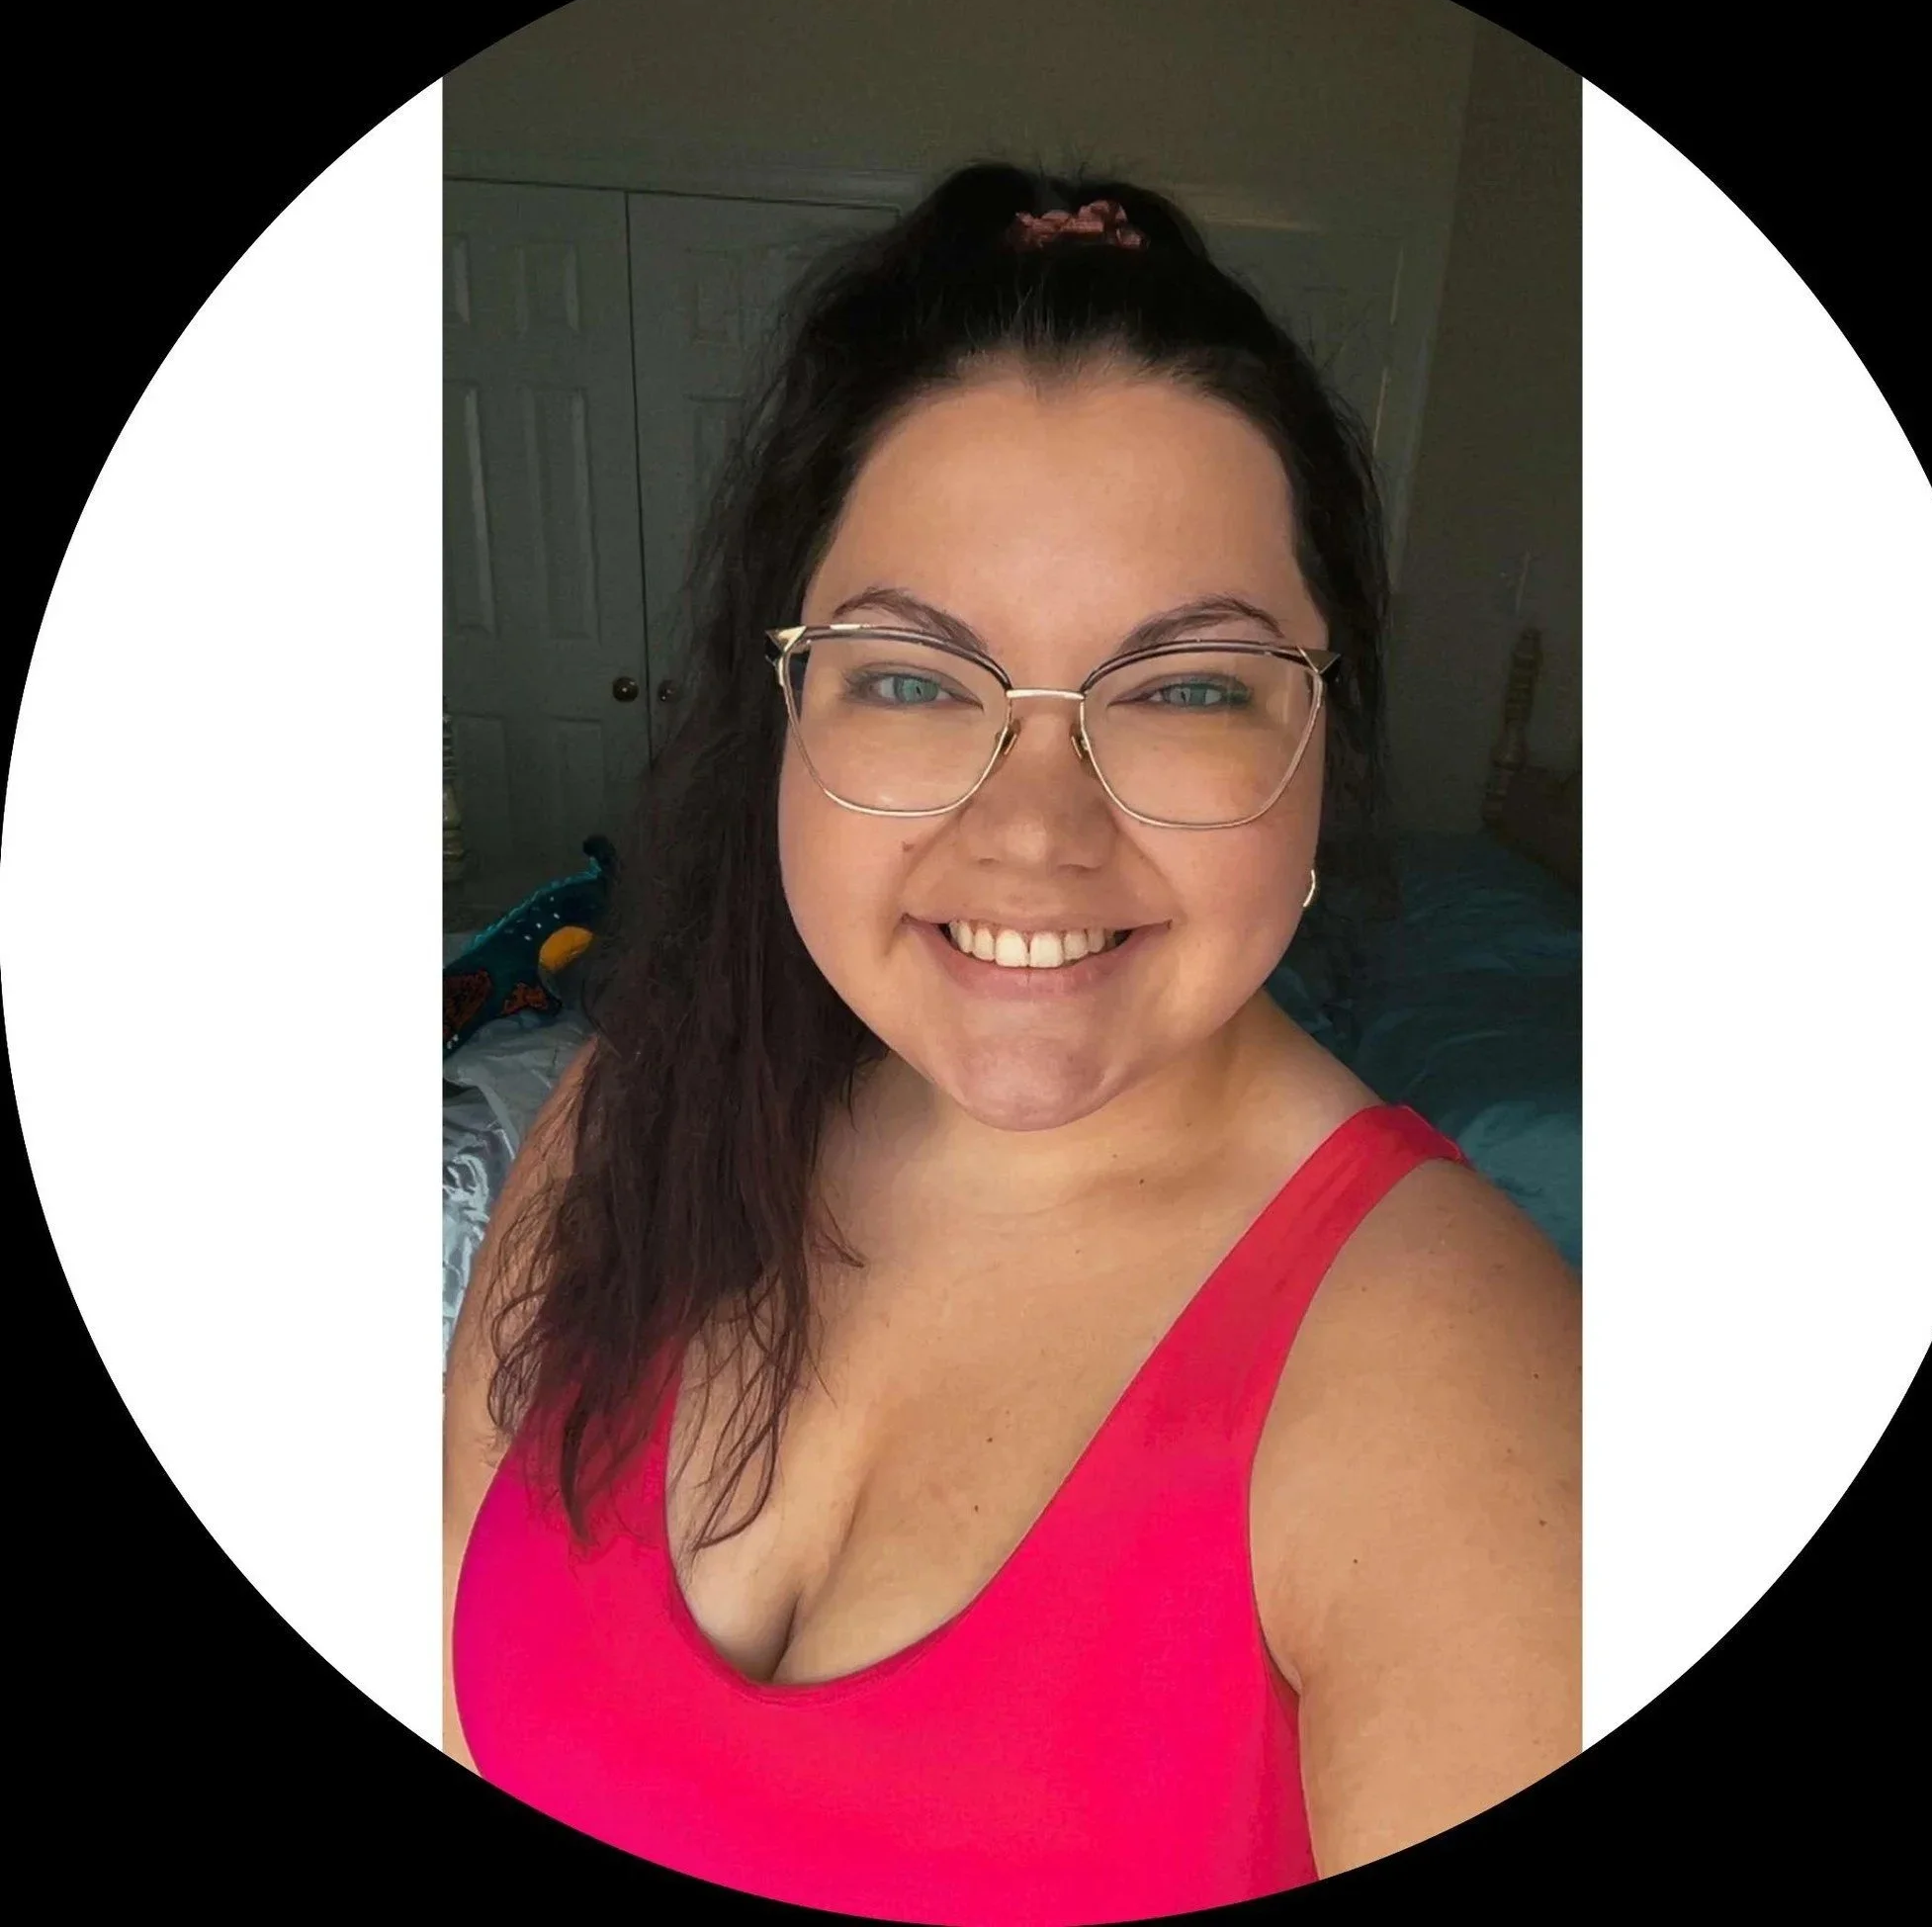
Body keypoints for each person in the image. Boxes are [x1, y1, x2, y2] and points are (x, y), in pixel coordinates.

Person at [444, 166, 1579, 1921]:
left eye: (1186, 688)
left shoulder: (1472, 1388)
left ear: (1320, 735)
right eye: (910, 678)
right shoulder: (622, 1124)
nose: (1035, 834)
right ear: (784, 711)